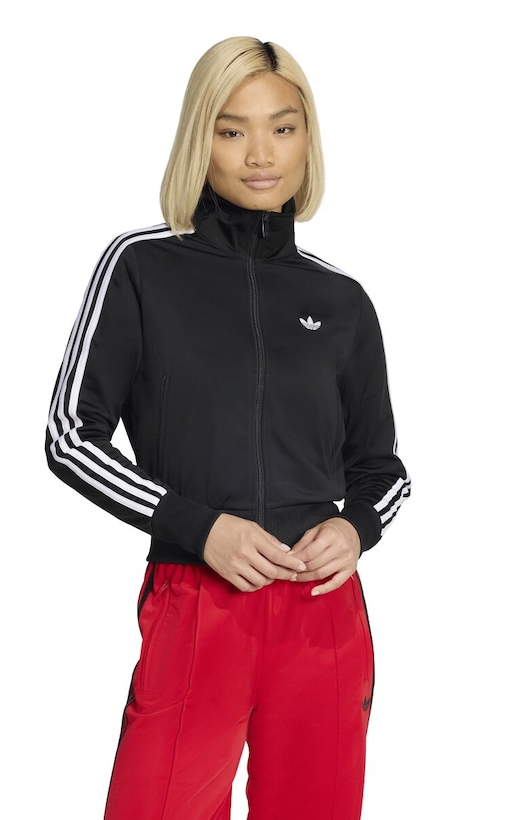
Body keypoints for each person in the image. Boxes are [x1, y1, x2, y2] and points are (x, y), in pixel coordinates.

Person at [46, 35, 411, 820]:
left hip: (322, 612)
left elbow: (383, 471)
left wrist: (354, 528)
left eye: (283, 127)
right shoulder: (141, 267)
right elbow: (71, 435)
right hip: (197, 601)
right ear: (198, 138)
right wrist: (198, 527)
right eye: (231, 129)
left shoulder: (342, 300)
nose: (260, 154)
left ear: (308, 139)